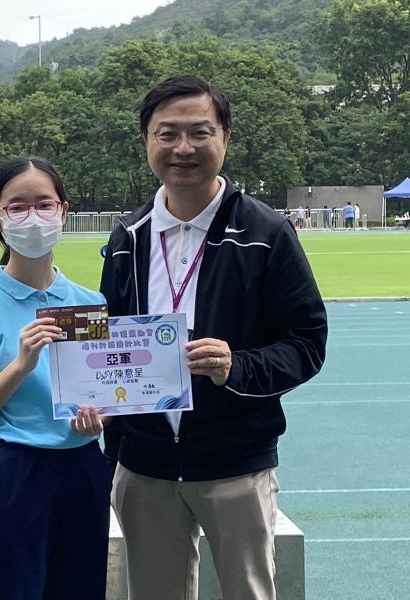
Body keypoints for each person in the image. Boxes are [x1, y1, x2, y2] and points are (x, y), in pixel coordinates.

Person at [99, 75, 328, 600]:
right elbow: (109, 341)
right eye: (167, 134)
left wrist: (237, 366)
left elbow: (307, 340)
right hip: (146, 466)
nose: (183, 148)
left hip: (235, 462)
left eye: (199, 132)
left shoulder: (266, 233)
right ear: (146, 141)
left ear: (224, 136)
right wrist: (98, 400)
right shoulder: (127, 237)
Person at [0, 156, 111, 600]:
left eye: (44, 204)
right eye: (17, 207)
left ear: (63, 211)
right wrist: (19, 365)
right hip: (13, 471)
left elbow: (102, 394)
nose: (33, 217)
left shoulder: (88, 302)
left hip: (84, 469)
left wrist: (100, 419)